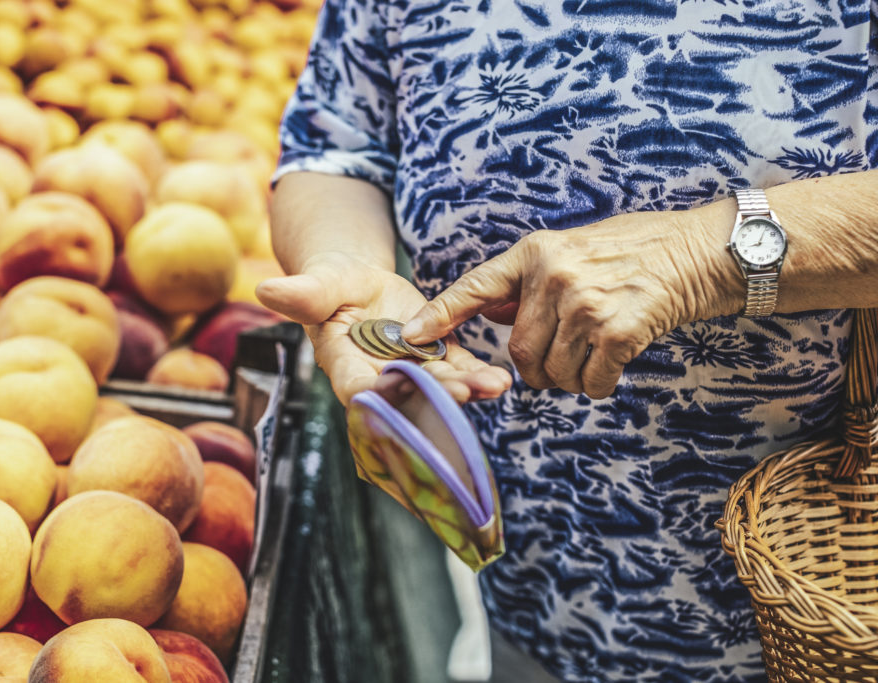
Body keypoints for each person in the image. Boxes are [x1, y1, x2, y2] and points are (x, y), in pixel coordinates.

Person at [255, 1, 878, 681]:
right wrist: (354, 271)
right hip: (533, 580)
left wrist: (704, 256)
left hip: (815, 604)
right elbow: (337, 147)